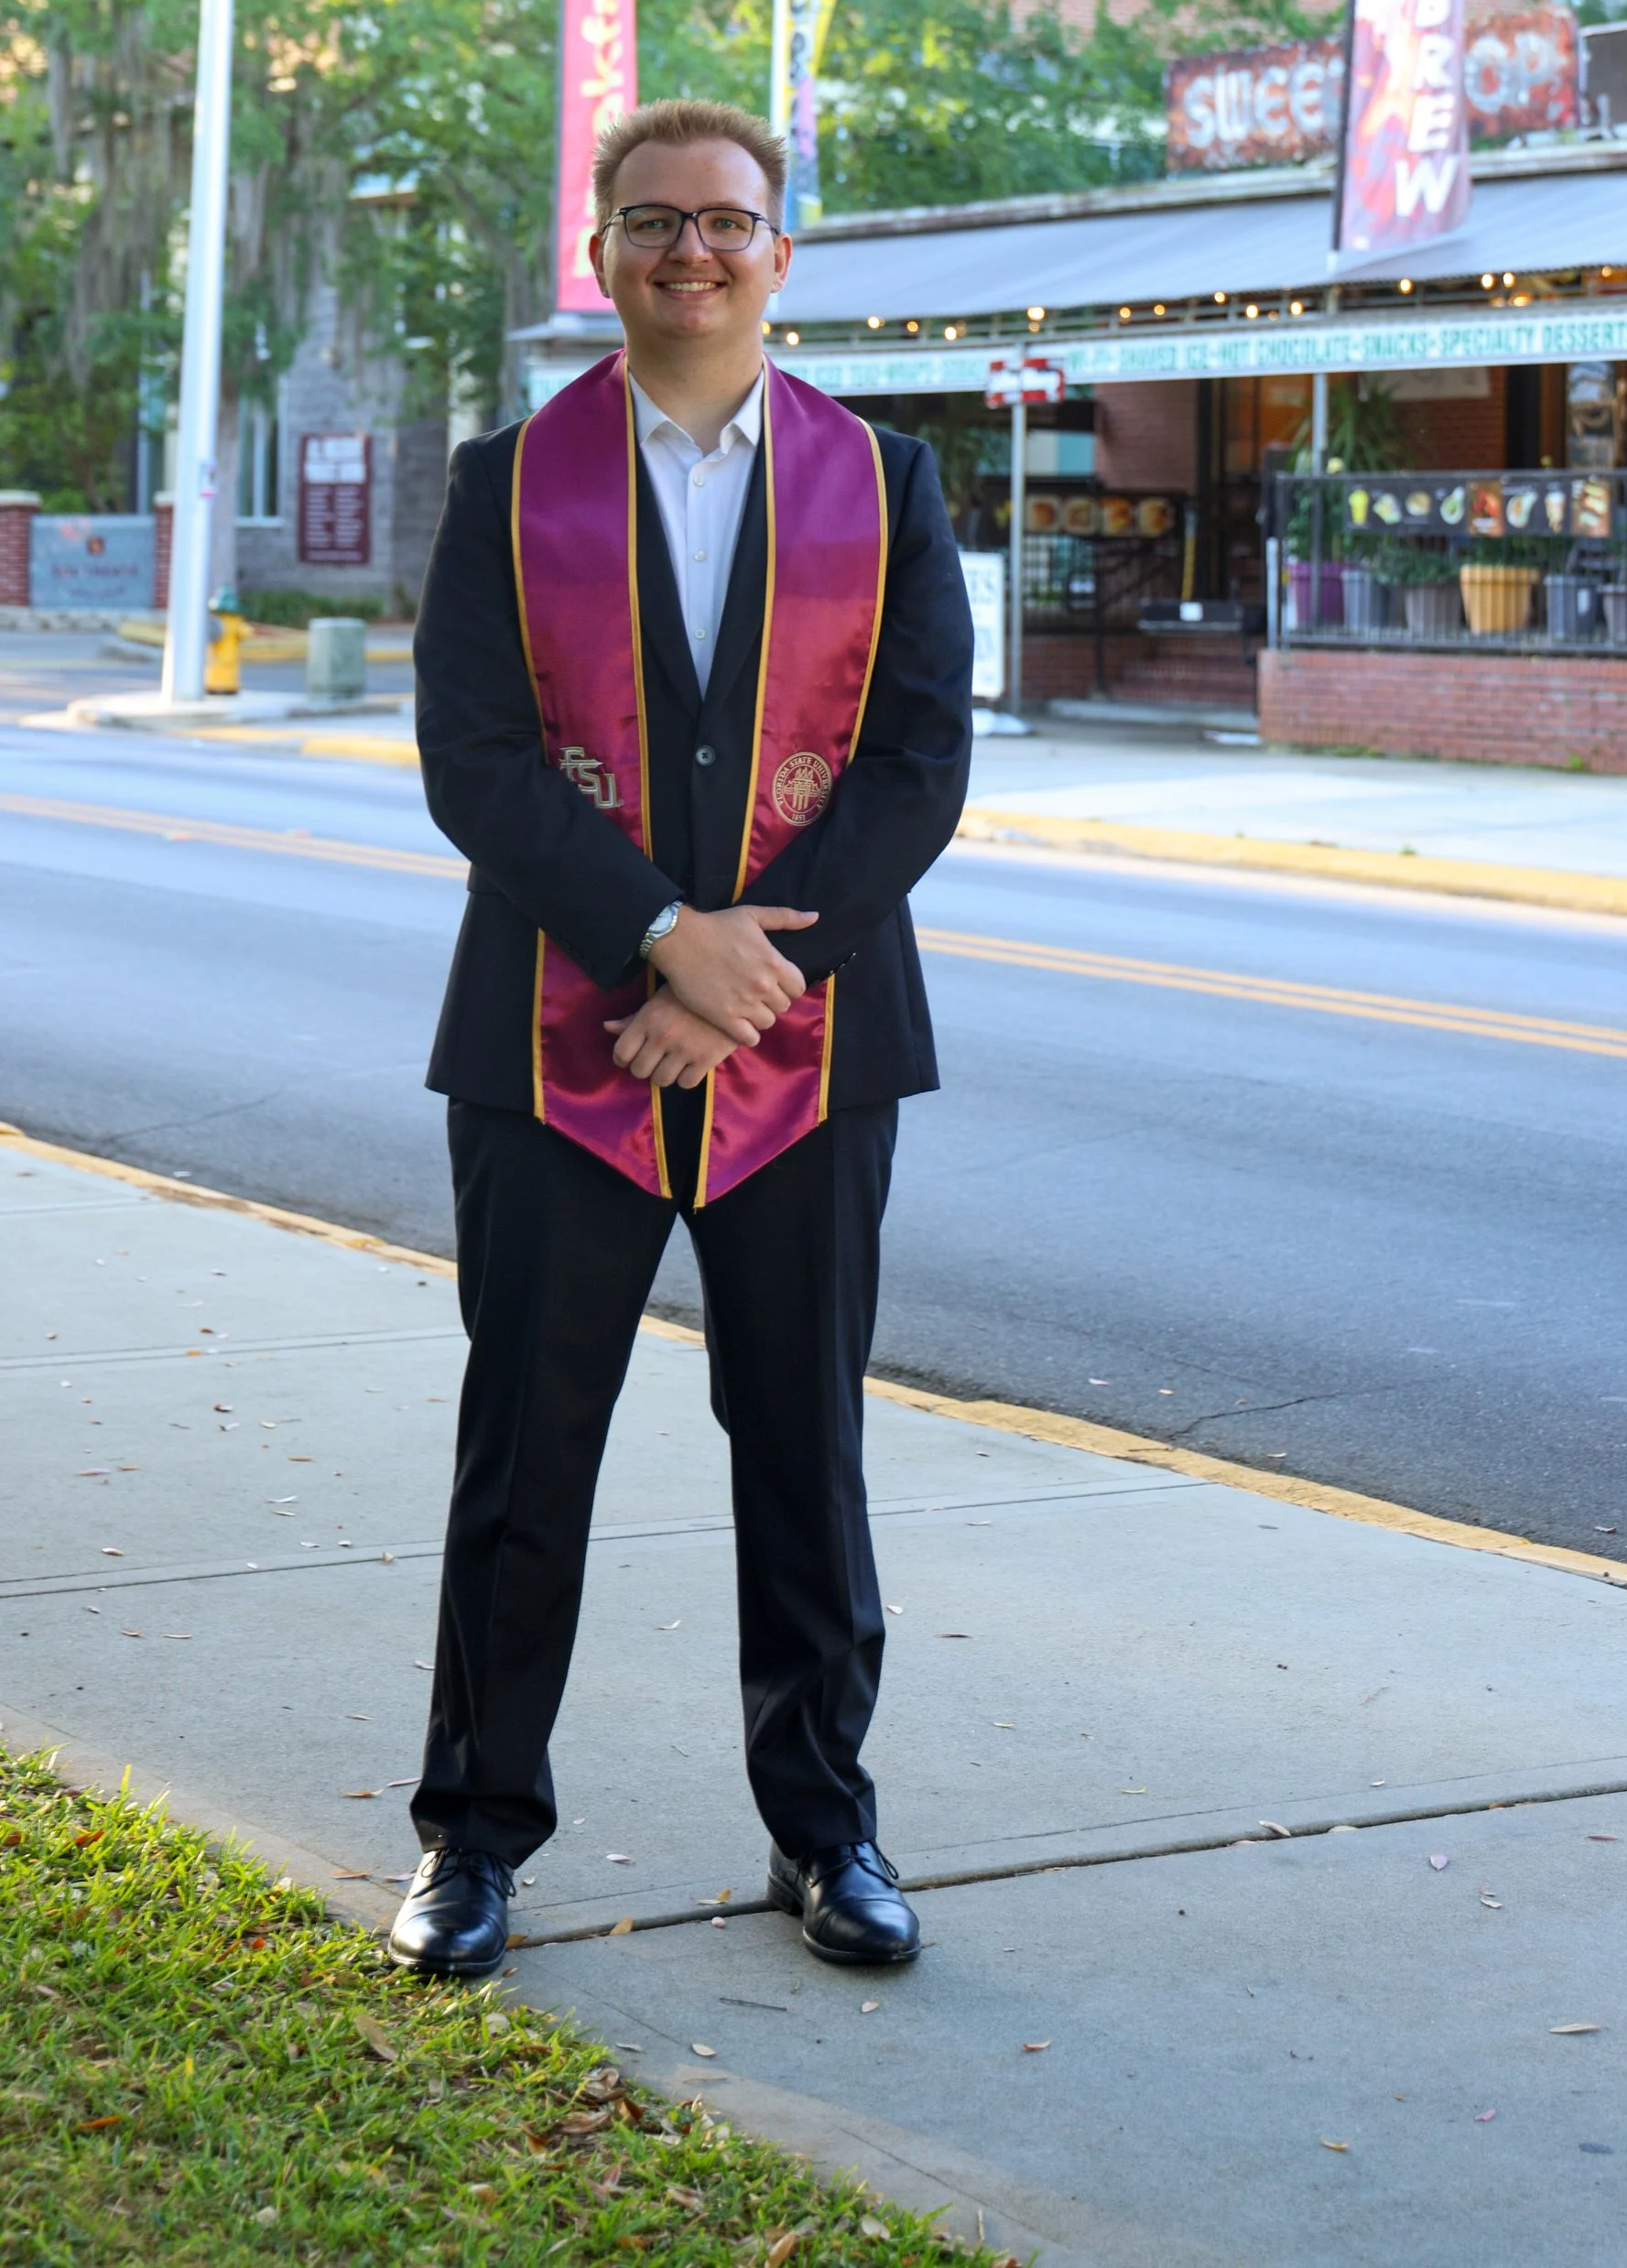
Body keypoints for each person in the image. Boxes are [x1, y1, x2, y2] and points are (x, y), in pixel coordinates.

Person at [387, 95, 973, 1981]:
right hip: (554, 1047)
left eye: (725, 222)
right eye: (653, 222)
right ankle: (473, 1834)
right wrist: (654, 937)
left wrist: (748, 973)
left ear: (777, 254)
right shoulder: (508, 480)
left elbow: (914, 760)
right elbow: (473, 760)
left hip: (807, 1058)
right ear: (604, 252)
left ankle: (828, 1828)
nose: (690, 252)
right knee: (521, 1452)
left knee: (802, 1450)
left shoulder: (884, 484)